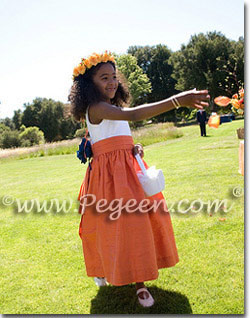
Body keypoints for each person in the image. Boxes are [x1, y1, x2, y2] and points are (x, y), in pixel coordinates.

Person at [68, 52, 210, 308]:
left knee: (137, 226)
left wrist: (134, 148)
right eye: (104, 78)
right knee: (107, 229)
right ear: (90, 84)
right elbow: (135, 116)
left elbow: (118, 137)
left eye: (113, 76)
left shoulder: (113, 108)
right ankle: (104, 270)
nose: (111, 82)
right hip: (108, 181)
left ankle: (140, 283)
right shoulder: (97, 108)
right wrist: (179, 100)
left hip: (128, 173)